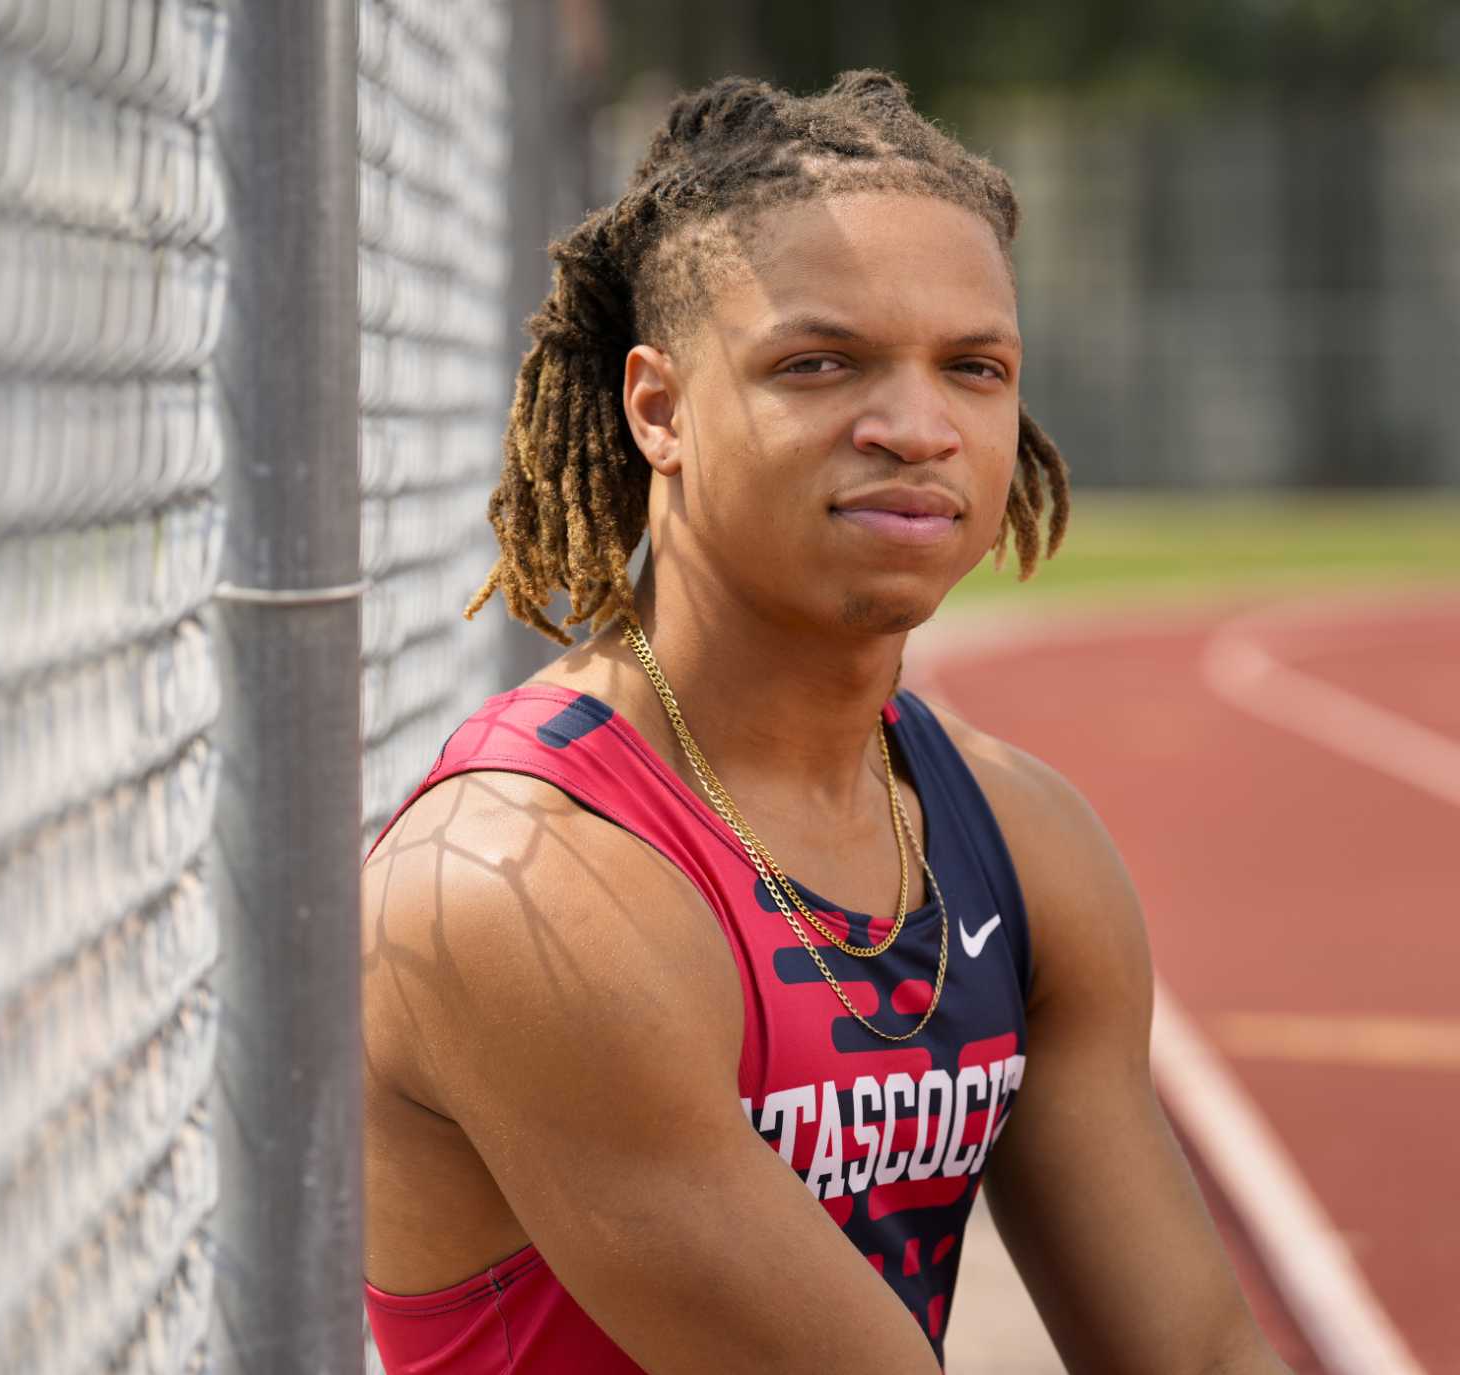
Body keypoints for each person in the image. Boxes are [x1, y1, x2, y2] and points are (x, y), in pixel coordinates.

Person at [359, 72, 1289, 1373]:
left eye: (974, 369)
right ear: (659, 408)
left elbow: (1194, 1356)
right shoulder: (524, 890)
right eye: (820, 363)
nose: (918, 429)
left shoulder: (1017, 839)